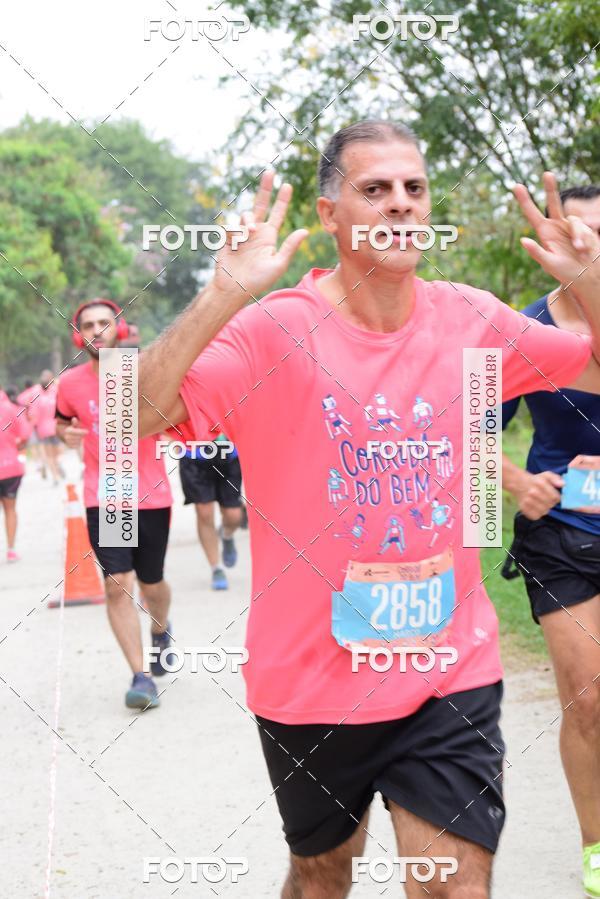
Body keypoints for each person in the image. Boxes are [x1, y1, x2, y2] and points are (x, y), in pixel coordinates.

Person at [139, 120, 600, 898]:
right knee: (322, 874)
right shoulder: (272, 328)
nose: (399, 205)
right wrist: (222, 292)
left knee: (455, 885)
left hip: (447, 670)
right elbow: (135, 414)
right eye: (374, 189)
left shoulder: (471, 318)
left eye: (414, 189)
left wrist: (590, 283)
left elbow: (586, 357)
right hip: (311, 677)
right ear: (329, 215)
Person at [502, 185, 600, 898]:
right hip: (563, 535)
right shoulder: (519, 332)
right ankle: (597, 849)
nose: (587, 241)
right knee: (588, 698)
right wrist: (512, 480)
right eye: (576, 229)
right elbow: (463, 427)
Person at [55, 299, 175, 710]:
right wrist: (65, 435)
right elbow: (63, 421)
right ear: (78, 335)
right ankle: (141, 676)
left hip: (152, 493)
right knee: (117, 583)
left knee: (152, 584)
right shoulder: (70, 384)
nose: (97, 330)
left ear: (120, 329)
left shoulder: (145, 370)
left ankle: (161, 629)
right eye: (88, 325)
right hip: (108, 494)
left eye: (105, 323)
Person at [178, 435, 242, 590]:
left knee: (234, 515)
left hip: (228, 452)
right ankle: (216, 568)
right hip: (193, 453)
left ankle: (226, 535)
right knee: (204, 512)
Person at [0, 387, 29, 562]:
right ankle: (11, 549)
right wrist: (15, 447)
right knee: (10, 509)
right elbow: (24, 435)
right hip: (10, 467)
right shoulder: (11, 408)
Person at [35, 370, 63, 485]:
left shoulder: (37, 397)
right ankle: (58, 467)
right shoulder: (55, 393)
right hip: (55, 427)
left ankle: (55, 476)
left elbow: (33, 415)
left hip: (43, 430)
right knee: (58, 452)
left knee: (49, 455)